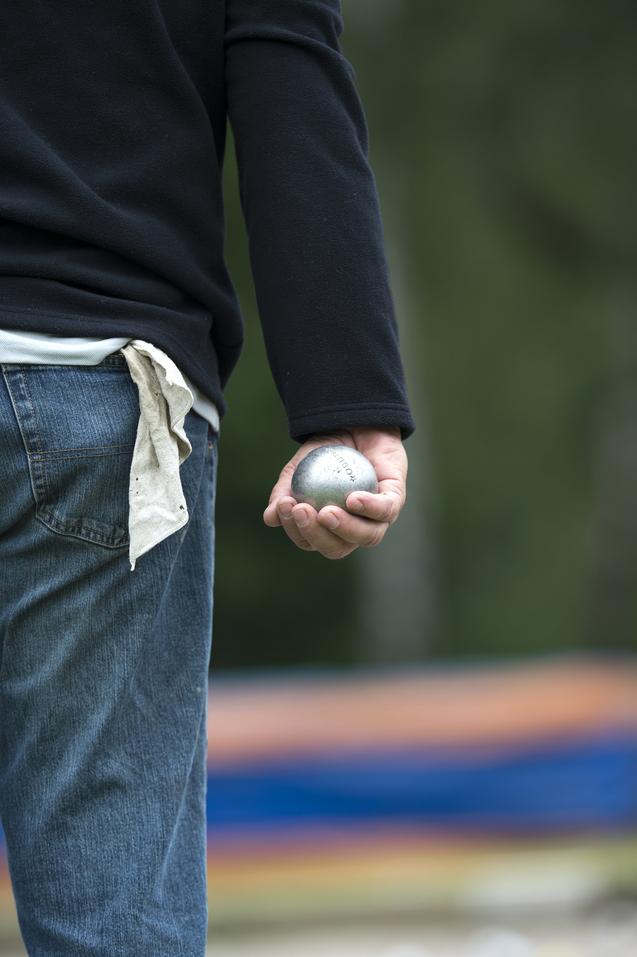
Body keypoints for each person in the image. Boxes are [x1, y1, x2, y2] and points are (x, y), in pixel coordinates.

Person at [0, 0, 415, 953]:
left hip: (103, 390)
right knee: (112, 916)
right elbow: (290, 92)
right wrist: (347, 402)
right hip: (98, 392)